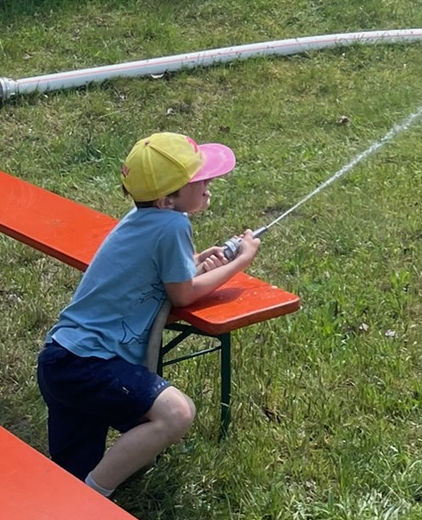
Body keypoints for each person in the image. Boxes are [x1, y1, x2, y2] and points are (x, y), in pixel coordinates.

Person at [36, 131, 260, 495]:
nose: (208, 182)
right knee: (177, 413)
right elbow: (184, 295)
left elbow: (168, 276)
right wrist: (242, 261)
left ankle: (82, 494)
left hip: (62, 359)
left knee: (69, 478)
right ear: (165, 200)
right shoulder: (173, 225)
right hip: (90, 364)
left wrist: (196, 262)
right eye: (197, 178)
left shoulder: (139, 219)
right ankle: (93, 498)